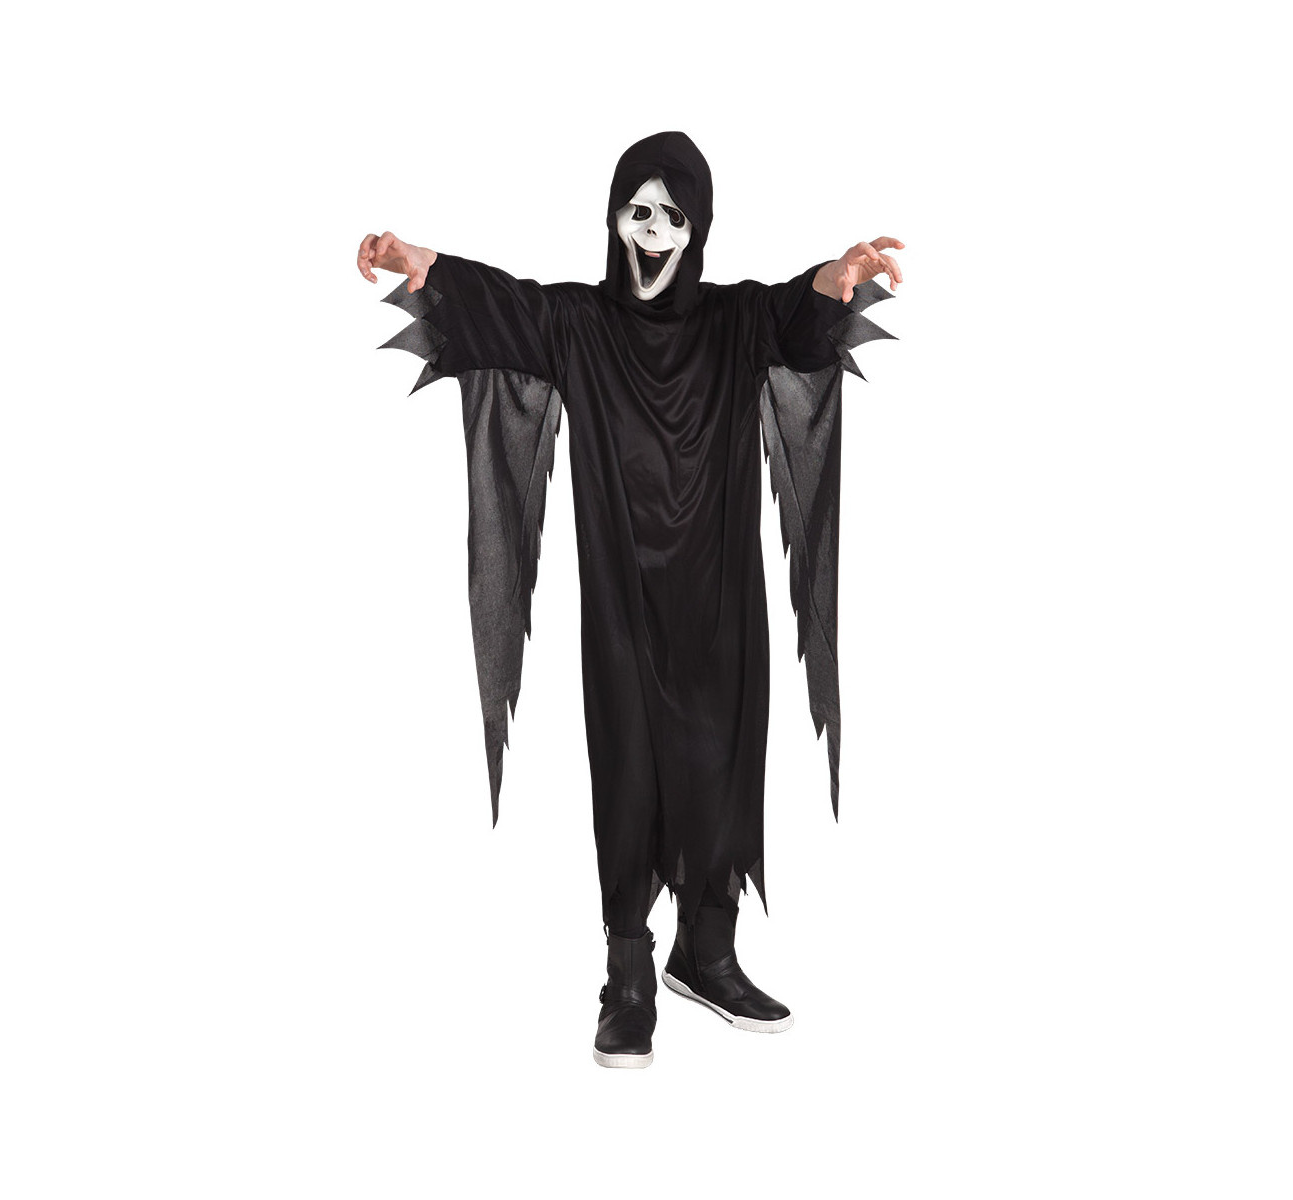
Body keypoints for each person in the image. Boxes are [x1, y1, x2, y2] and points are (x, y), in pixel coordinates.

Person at [358, 131, 902, 1068]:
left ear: (698, 230)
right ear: (615, 219)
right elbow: (502, 307)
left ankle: (708, 952)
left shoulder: (734, 321)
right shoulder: (579, 323)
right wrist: (424, 265)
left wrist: (835, 280)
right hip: (623, 602)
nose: (652, 230)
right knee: (631, 769)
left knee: (723, 759)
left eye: (672, 215)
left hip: (720, 600)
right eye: (637, 210)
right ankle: (629, 973)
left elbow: (797, 322)